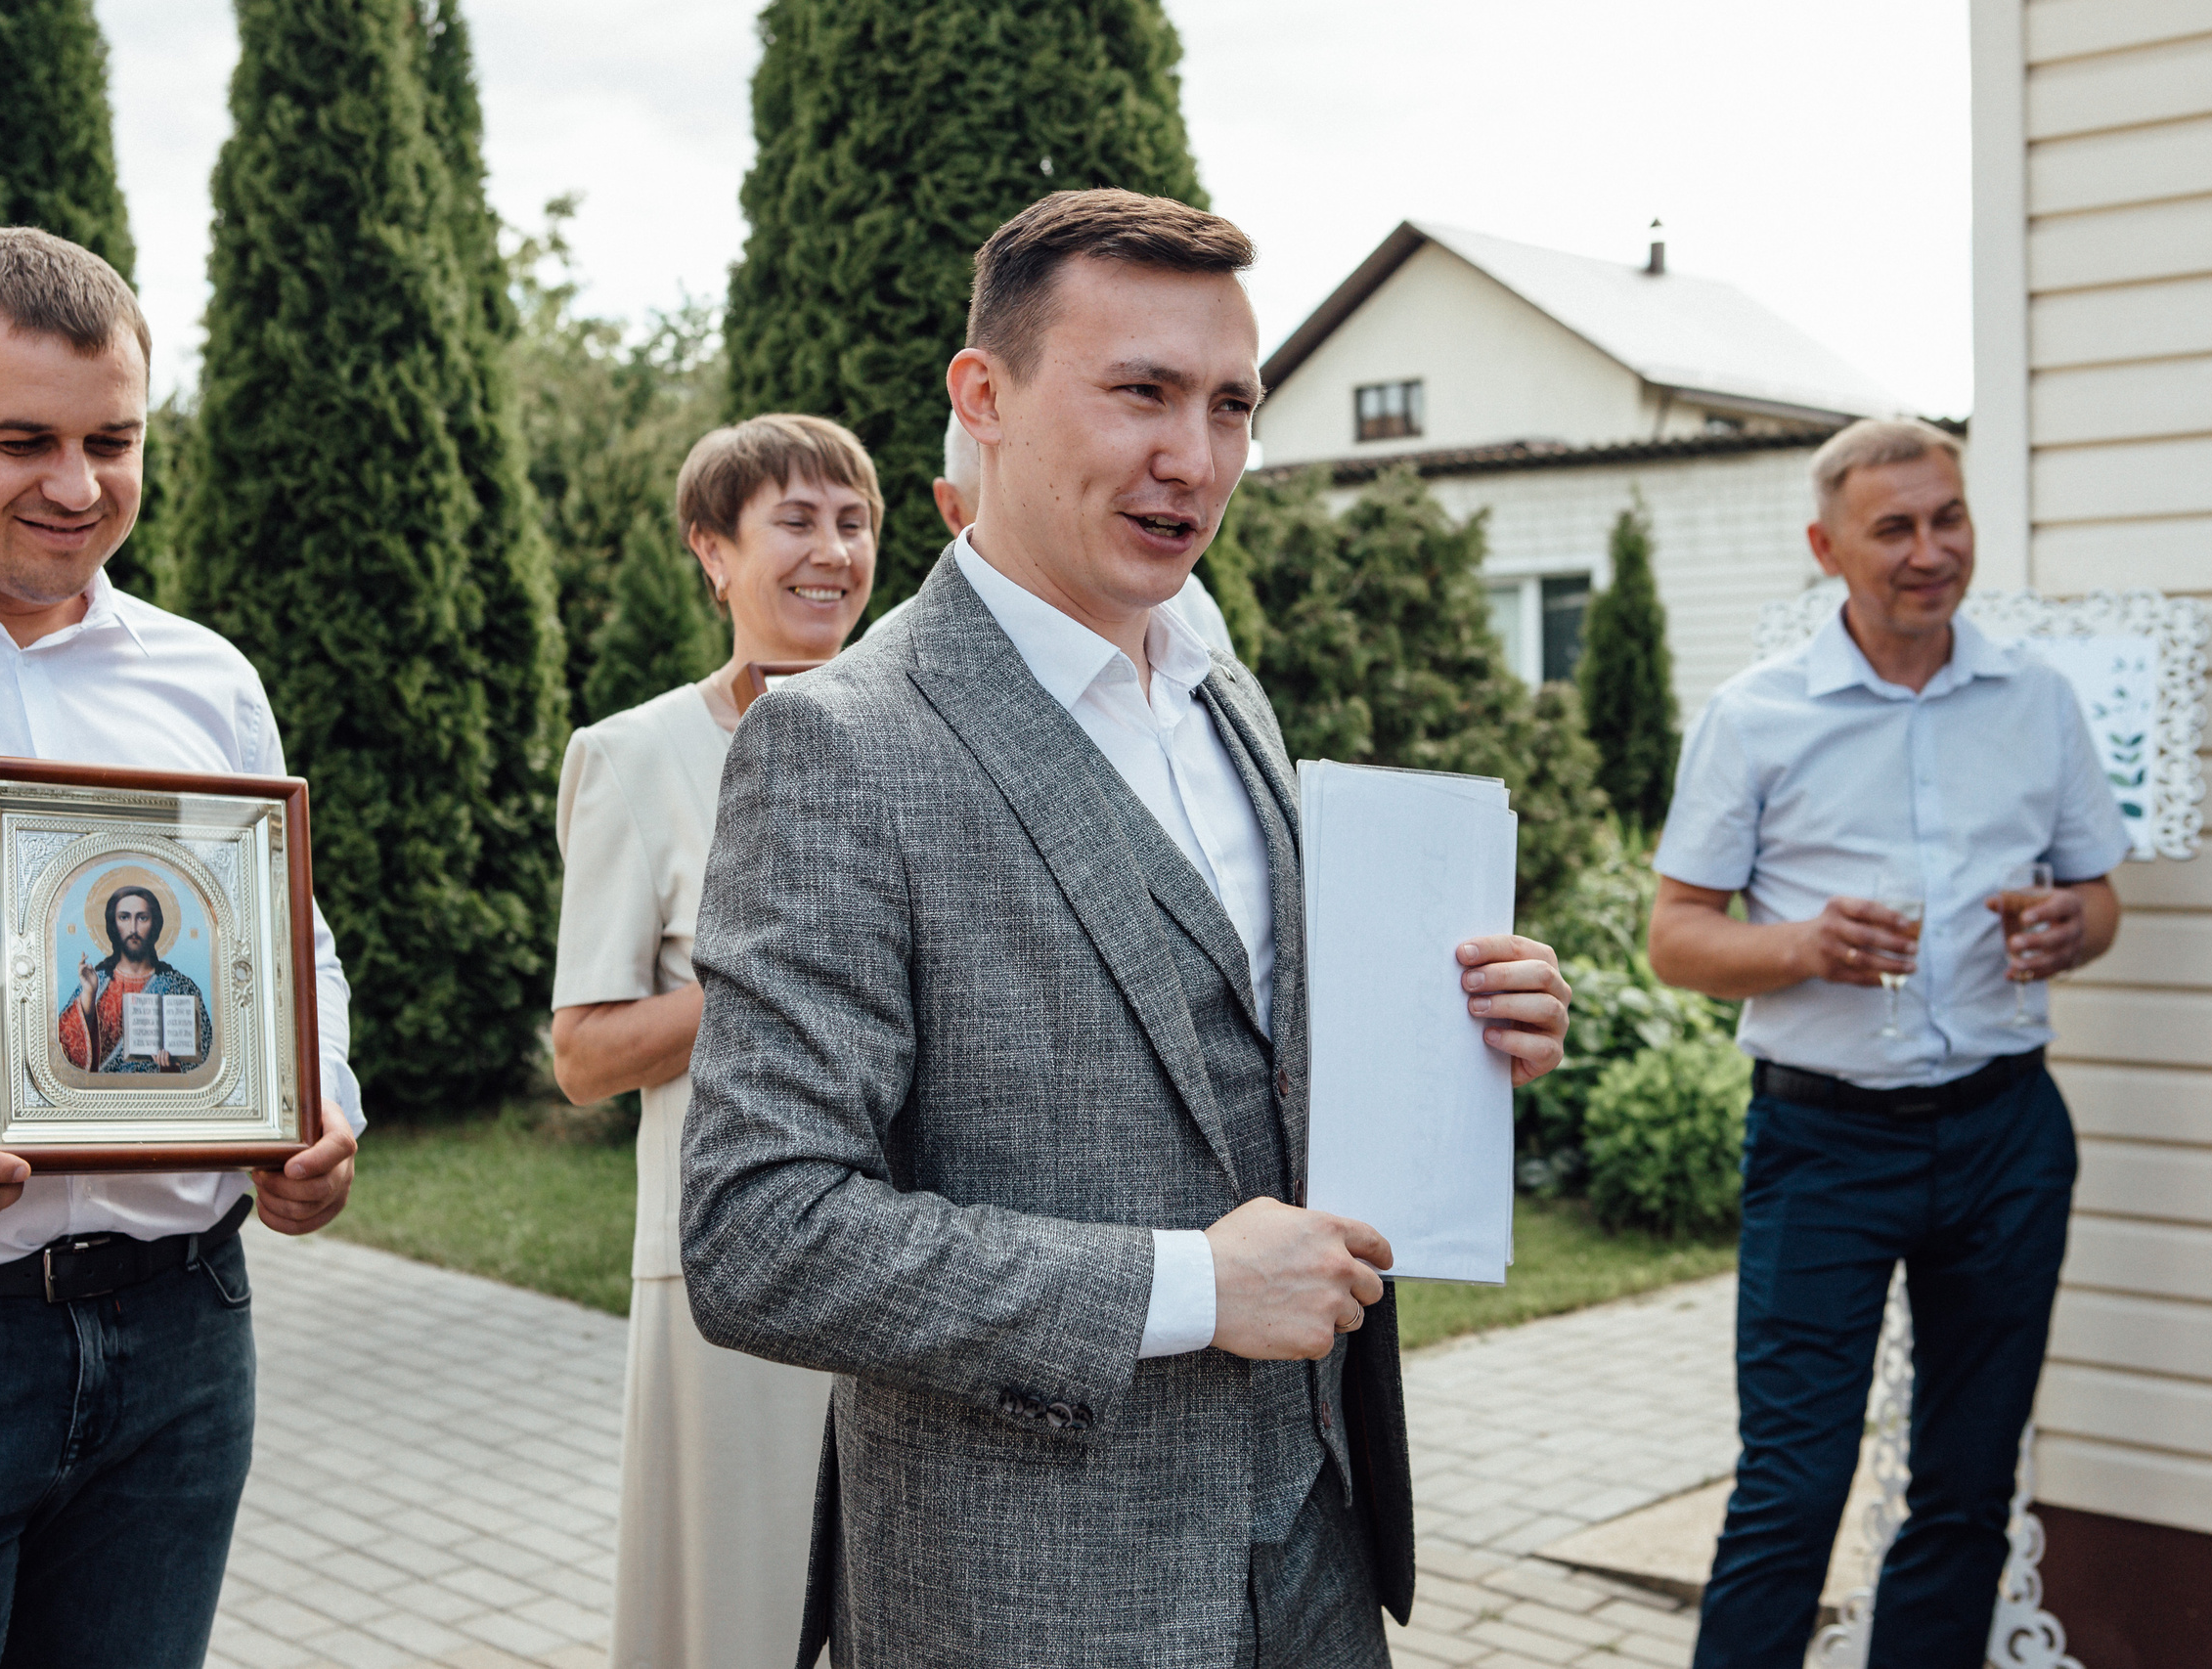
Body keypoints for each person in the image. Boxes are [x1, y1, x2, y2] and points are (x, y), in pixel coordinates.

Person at [679, 189, 1571, 1669]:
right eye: (1140, 392)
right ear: (987, 398)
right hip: (1031, 1590)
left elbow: (1250, 1060)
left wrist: (1466, 1025)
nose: (1196, 458)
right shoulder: (840, 743)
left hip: (1319, 1543)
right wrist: (1195, 1287)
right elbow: (758, 1232)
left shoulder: (1230, 694)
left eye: (1231, 404)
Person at [0, 228, 362, 1668]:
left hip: (180, 1338)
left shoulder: (204, 676)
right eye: (22, 439)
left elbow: (289, 943)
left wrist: (318, 1109)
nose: (78, 486)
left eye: (112, 439)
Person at [1647, 418, 2127, 1668]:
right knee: (1792, 1491)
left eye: (1948, 518)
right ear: (1826, 547)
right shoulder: (1755, 717)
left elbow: (2099, 896)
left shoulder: (2037, 699)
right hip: (1824, 1142)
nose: (1931, 551)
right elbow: (1676, 939)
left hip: (2007, 1135)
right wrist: (1805, 946)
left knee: (1965, 1491)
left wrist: (2072, 925)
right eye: (1895, 527)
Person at [549, 413, 879, 1668]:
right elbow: (583, 1055)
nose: (830, 551)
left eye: (852, 523)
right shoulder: (636, 758)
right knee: (733, 1627)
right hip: (728, 1276)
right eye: (794, 520)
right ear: (711, 551)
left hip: (920, 1268)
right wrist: (770, 981)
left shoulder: (918, 742)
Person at [867, 411, 1239, 656]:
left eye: (1234, 406)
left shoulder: (1189, 610)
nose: (1196, 469)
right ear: (952, 509)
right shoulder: (898, 660)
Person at [58, 884, 211, 1073]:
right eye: (124, 917)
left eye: (142, 918)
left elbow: (205, 1055)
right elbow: (64, 1049)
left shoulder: (179, 986)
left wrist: (173, 1068)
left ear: (155, 924)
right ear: (113, 924)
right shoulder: (97, 981)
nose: (133, 928)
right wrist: (89, 996)